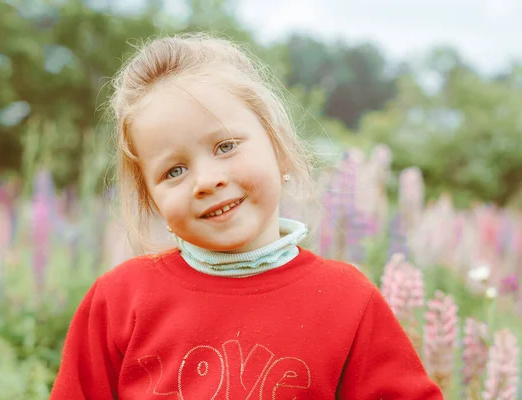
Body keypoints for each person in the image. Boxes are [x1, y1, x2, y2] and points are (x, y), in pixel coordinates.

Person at [50, 33, 443, 399]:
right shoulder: (119, 301)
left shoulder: (348, 301)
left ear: (278, 145)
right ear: (152, 199)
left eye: (225, 146)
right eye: (174, 171)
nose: (206, 181)